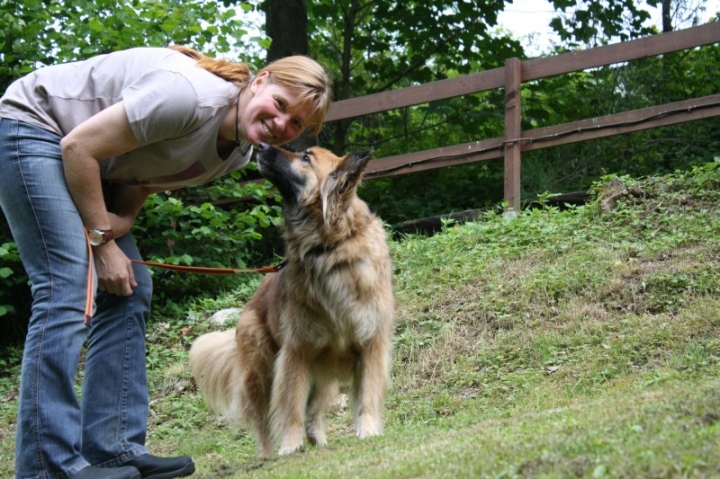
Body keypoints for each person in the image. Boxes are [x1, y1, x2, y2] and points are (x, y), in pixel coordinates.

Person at [0, 44, 331, 479]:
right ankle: (47, 466)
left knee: (131, 289)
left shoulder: (237, 152)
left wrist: (124, 219)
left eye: (296, 124)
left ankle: (112, 449)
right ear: (260, 81)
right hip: (34, 128)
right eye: (281, 105)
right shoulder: (191, 97)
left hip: (87, 163)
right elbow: (78, 145)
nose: (281, 124)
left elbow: (142, 169)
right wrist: (101, 243)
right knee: (67, 288)